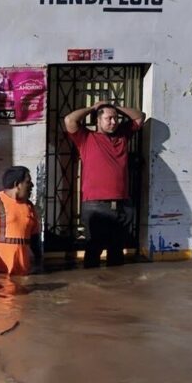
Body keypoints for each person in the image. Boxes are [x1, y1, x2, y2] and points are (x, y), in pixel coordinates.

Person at [63, 100, 146, 268]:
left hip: (122, 205)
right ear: (98, 121)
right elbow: (69, 120)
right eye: (109, 118)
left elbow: (140, 117)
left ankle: (114, 290)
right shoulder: (86, 137)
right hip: (95, 205)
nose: (114, 122)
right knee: (94, 250)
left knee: (117, 252)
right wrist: (94, 108)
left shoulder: (122, 136)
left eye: (116, 118)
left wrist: (114, 107)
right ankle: (93, 291)